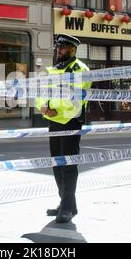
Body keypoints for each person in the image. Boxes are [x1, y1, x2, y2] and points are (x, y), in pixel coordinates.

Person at [36, 34, 91, 223]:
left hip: (70, 122)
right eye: (58, 48)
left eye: (63, 48)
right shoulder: (54, 70)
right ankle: (67, 204)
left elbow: (75, 101)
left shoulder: (80, 70)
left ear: (72, 50)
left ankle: (67, 208)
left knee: (68, 166)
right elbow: (42, 92)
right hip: (54, 121)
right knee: (57, 164)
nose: (58, 51)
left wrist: (54, 110)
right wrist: (43, 107)